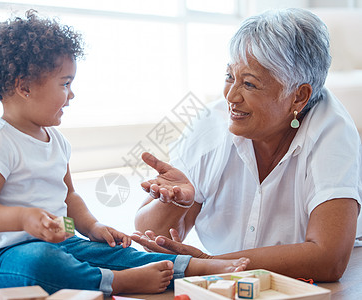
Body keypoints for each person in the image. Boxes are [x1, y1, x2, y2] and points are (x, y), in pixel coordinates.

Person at [0, 10, 250, 297]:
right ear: (24, 87)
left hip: (61, 243)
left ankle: (196, 269)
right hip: (2, 258)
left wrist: (92, 226)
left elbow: (69, 196)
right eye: (65, 84)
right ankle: (115, 282)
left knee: (113, 251)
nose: (71, 94)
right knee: (41, 262)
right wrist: (24, 219)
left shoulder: (57, 141)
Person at [132, 8, 362, 282]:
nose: (230, 95)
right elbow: (150, 237)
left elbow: (329, 260)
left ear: (298, 96)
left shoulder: (332, 133)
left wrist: (209, 263)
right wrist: (177, 204)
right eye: (230, 76)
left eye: (249, 84)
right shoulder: (212, 126)